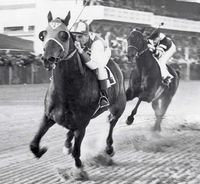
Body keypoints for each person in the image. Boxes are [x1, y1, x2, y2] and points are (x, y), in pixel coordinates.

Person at [71, 20, 111, 108]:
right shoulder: (80, 40)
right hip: (88, 50)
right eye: (75, 36)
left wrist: (81, 51)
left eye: (80, 36)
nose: (77, 39)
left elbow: (93, 65)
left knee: (100, 68)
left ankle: (103, 96)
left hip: (103, 52)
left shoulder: (97, 44)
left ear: (87, 35)